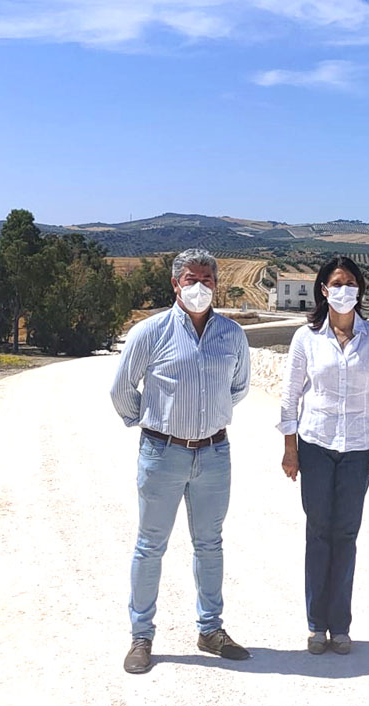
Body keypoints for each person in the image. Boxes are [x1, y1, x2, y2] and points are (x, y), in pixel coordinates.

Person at [110, 248, 252, 674]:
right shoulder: (150, 333)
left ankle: (211, 630)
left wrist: (208, 418)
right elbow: (122, 389)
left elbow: (239, 388)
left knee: (210, 545)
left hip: (214, 454)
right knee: (150, 545)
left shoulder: (232, 335)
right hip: (163, 454)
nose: (200, 287)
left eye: (207, 280)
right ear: (175, 284)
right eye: (191, 279)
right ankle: (141, 635)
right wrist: (150, 423)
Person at [278, 256, 369, 656]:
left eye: (351, 283)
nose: (344, 290)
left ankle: (340, 626)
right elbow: (290, 396)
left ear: (360, 289)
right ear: (324, 290)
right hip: (314, 445)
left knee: (345, 534)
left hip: (358, 449)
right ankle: (316, 625)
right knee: (318, 532)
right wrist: (290, 449)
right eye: (337, 283)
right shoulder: (306, 338)